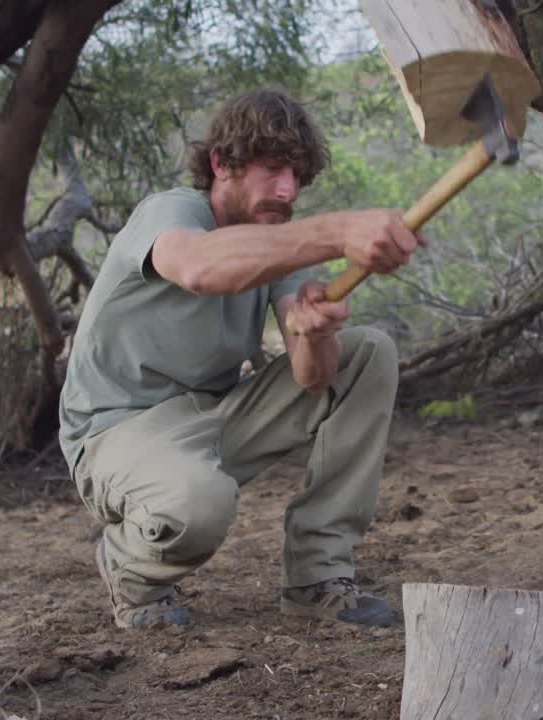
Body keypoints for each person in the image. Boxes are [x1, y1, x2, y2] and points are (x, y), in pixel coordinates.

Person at [57, 87, 423, 630]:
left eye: (297, 175)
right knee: (199, 502)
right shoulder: (172, 212)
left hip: (212, 417)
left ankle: (317, 576)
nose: (288, 189)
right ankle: (132, 571)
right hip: (116, 435)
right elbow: (203, 269)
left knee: (367, 352)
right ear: (221, 164)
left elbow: (313, 378)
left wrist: (316, 332)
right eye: (273, 168)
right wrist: (339, 232)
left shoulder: (279, 243)